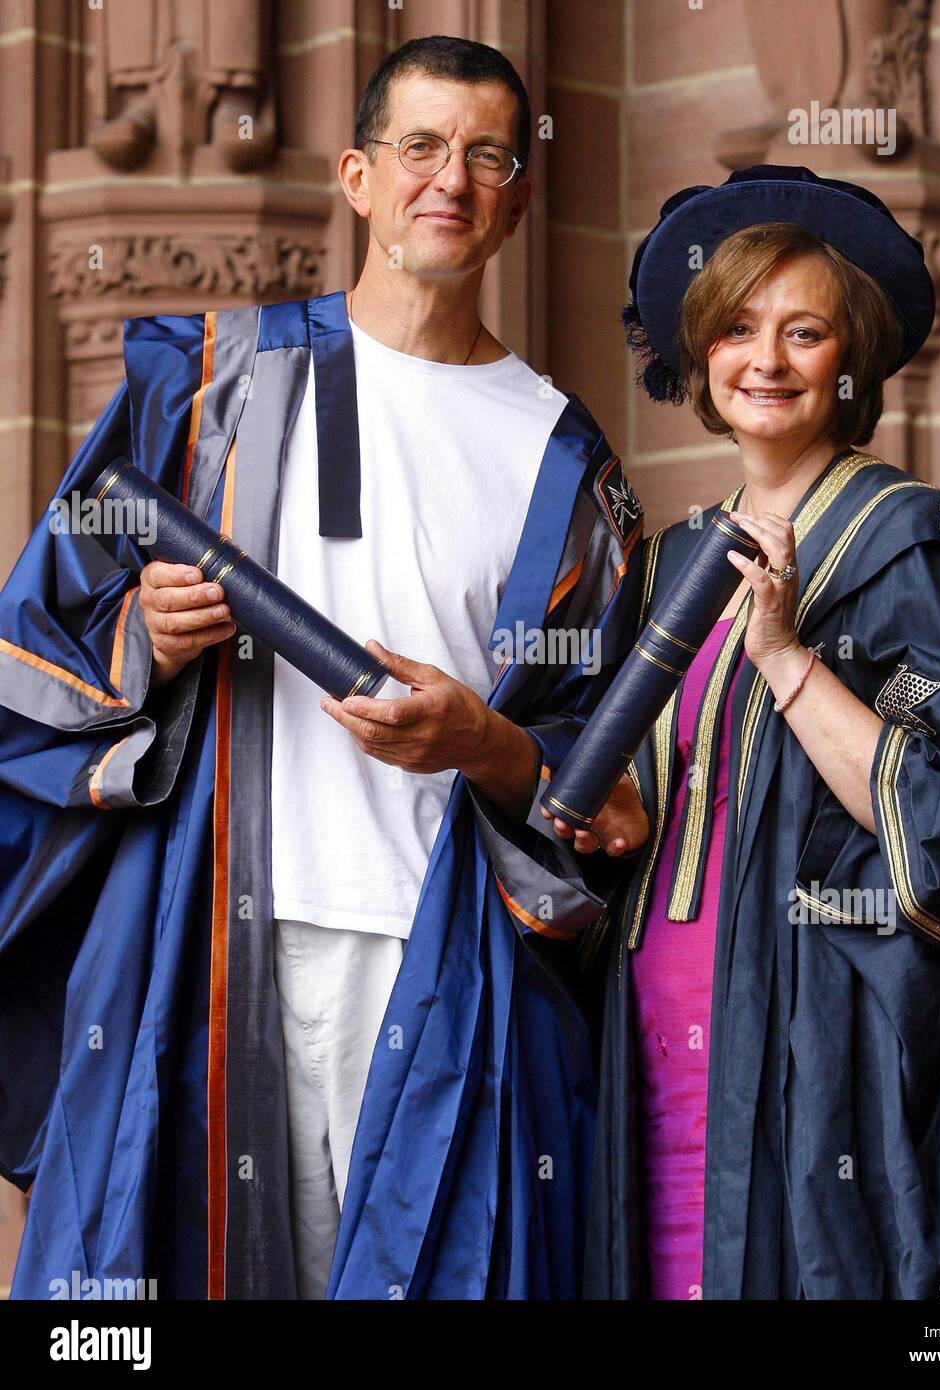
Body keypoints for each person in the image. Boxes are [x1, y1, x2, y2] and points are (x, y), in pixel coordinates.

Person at [0, 35, 648, 1301]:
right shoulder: (204, 386)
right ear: (357, 174)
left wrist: (483, 743)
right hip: (209, 931)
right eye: (417, 146)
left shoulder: (567, 467)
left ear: (518, 196)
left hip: (452, 956)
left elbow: (611, 790)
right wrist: (144, 633)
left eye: (485, 155)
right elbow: (29, 645)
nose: (447, 179)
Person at [551, 165, 940, 1299]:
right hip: (649, 1048)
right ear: (700, 354)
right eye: (738, 327)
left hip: (818, 1064)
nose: (765, 358)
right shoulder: (660, 567)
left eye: (804, 332)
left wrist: (787, 656)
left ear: (847, 367)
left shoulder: (912, 550)